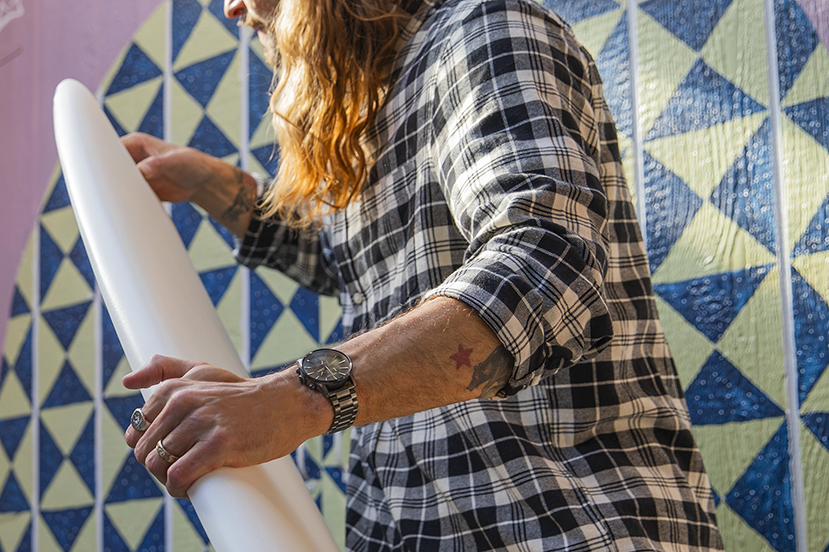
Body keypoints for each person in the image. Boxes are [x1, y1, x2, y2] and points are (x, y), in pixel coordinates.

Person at [122, 0, 724, 549]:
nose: (234, 7)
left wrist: (291, 400)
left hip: (569, 527)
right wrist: (217, 188)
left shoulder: (484, 33)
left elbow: (543, 269)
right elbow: (358, 270)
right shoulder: (369, 113)